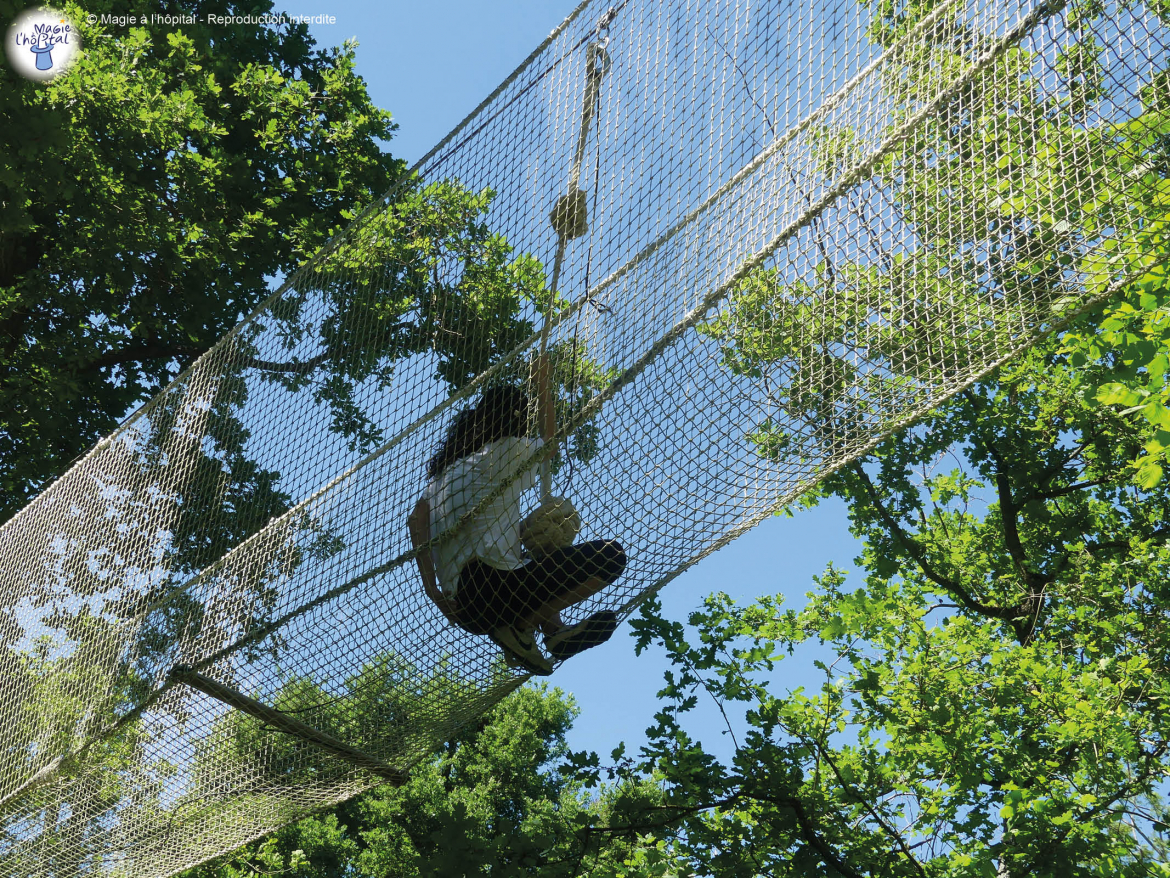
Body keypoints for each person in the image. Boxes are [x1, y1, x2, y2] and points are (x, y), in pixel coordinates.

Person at [406, 376, 626, 675]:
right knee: (611, 556)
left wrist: (434, 592)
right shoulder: (502, 452)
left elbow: (416, 521)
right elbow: (550, 443)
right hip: (497, 586)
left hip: (469, 610)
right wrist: (544, 382)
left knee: (530, 558)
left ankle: (552, 630)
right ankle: (524, 625)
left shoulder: (439, 482)